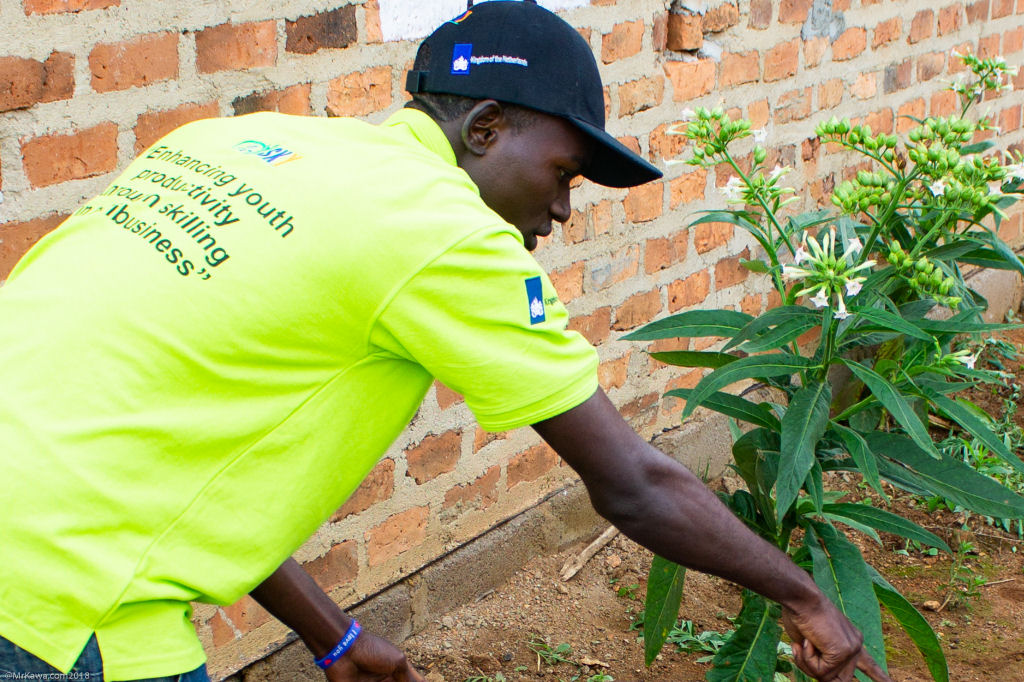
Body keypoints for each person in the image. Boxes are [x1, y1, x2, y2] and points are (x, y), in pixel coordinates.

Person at [0, 2, 891, 681]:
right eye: (562, 173)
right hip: (56, 607)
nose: (561, 212)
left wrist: (333, 634)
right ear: (487, 128)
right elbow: (634, 483)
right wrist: (807, 597)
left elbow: (172, 441)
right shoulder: (443, 232)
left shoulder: (240, 140)